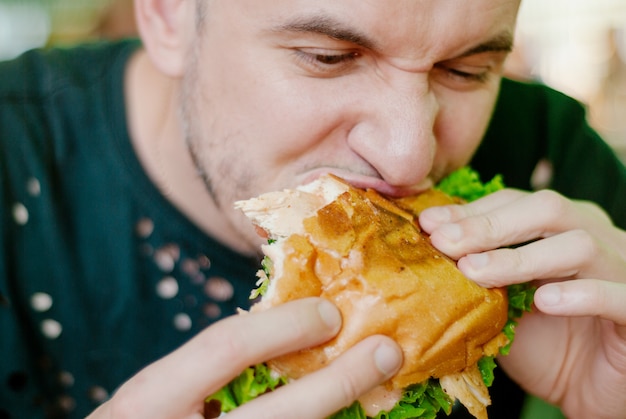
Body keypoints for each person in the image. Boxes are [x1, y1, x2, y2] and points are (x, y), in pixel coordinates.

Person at [1, 1, 625, 418]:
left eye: (466, 70)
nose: (410, 157)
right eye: (329, 57)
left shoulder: (553, 161)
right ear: (170, 16)